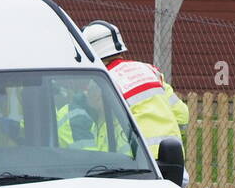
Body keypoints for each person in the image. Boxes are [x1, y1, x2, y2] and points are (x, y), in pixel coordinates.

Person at [81, 20, 189, 157]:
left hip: (136, 164)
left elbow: (102, 126)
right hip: (172, 159)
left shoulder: (102, 80)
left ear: (90, 53)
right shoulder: (150, 70)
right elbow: (182, 116)